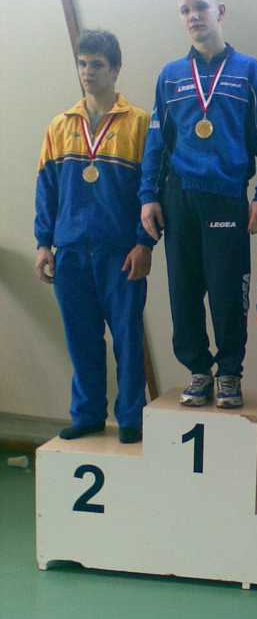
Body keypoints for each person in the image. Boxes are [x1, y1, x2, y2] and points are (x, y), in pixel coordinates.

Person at [139, 0, 257, 409]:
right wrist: (148, 195)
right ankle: (198, 370)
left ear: (220, 11)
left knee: (226, 291)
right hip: (178, 197)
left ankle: (230, 372)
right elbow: (156, 142)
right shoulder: (170, 76)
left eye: (200, 6)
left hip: (226, 196)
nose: (193, 16)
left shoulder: (250, 71)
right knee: (183, 292)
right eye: (185, 10)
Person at [34, 29, 152, 444]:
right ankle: (87, 414)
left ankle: (132, 417)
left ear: (115, 69)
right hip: (69, 250)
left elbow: (151, 191)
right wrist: (43, 243)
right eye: (82, 64)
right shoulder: (60, 125)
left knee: (127, 338)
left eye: (97, 64)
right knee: (81, 337)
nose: (87, 72)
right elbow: (46, 188)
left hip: (119, 250)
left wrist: (144, 243)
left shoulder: (140, 123)